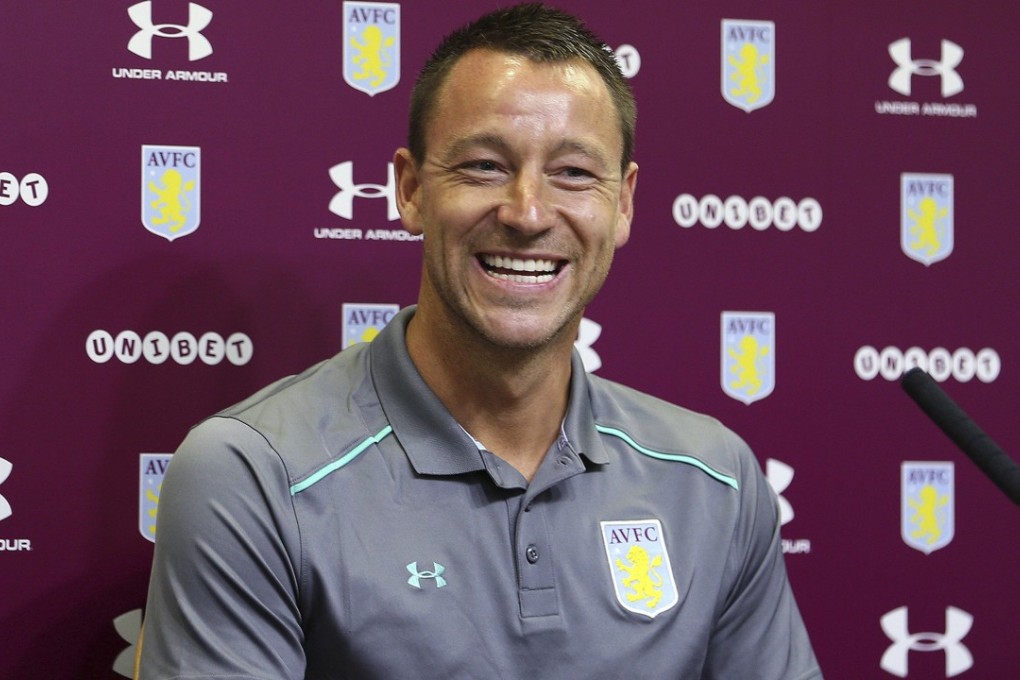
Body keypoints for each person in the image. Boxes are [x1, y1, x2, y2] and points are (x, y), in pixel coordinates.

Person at [137, 4, 823, 678]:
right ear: (409, 190)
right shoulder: (254, 474)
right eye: (485, 166)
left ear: (624, 204)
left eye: (575, 174)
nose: (527, 212)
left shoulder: (715, 478)